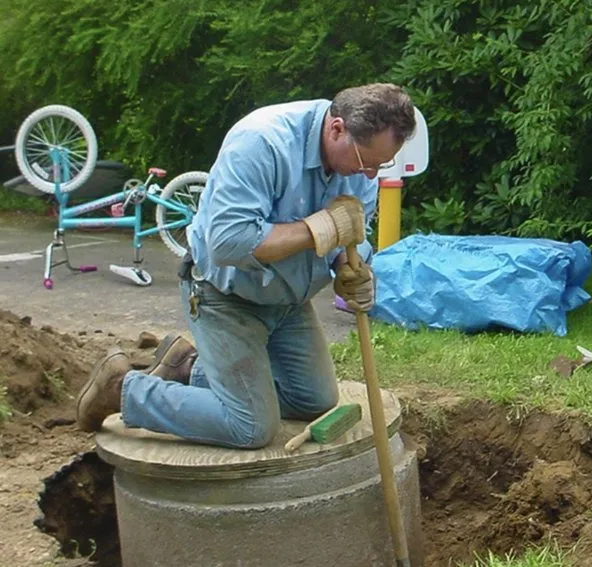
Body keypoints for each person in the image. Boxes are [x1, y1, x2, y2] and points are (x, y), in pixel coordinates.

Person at [74, 83, 417, 449]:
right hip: (223, 296)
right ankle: (124, 389)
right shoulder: (261, 143)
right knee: (250, 427)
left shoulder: (362, 161)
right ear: (336, 129)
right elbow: (228, 243)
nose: (369, 176)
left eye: (381, 166)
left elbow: (351, 231)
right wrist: (317, 229)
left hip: (286, 303)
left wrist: (348, 267)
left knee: (313, 401)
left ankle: (189, 368)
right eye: (367, 163)